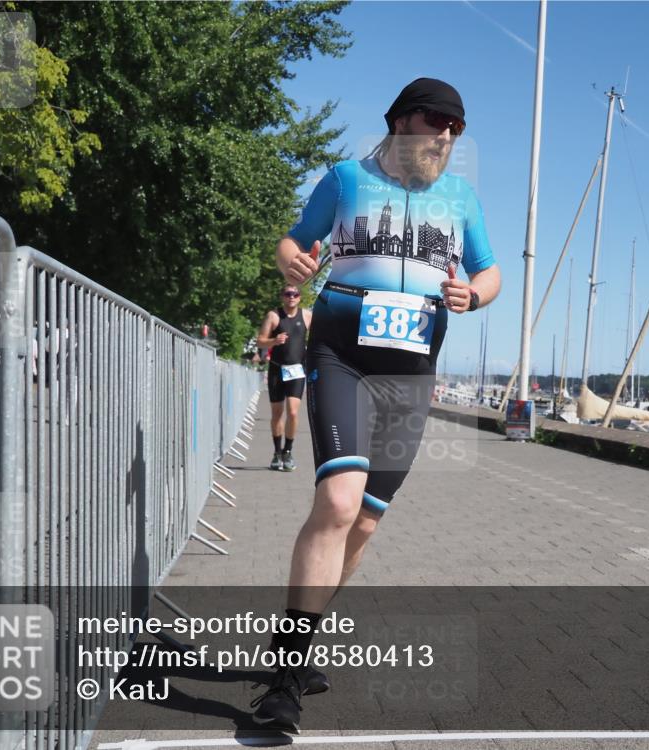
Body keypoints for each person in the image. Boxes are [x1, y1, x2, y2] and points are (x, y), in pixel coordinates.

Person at [250, 78, 501, 731]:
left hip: (411, 375)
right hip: (343, 357)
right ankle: (283, 675)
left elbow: (491, 271)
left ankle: (301, 640)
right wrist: (294, 265)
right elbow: (292, 240)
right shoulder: (344, 180)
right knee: (336, 502)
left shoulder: (461, 199)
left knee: (364, 522)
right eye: (436, 119)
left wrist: (476, 293)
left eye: (457, 127)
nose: (446, 135)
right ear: (400, 120)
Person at [256, 284, 312, 471]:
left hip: (296, 370)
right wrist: (274, 341)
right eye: (288, 294)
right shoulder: (274, 316)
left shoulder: (306, 316)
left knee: (294, 412)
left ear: (299, 297)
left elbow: (318, 339)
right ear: (282, 296)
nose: (292, 297)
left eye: (295, 294)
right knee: (277, 414)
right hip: (277, 370)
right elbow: (260, 340)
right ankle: (276, 452)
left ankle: (288, 452)